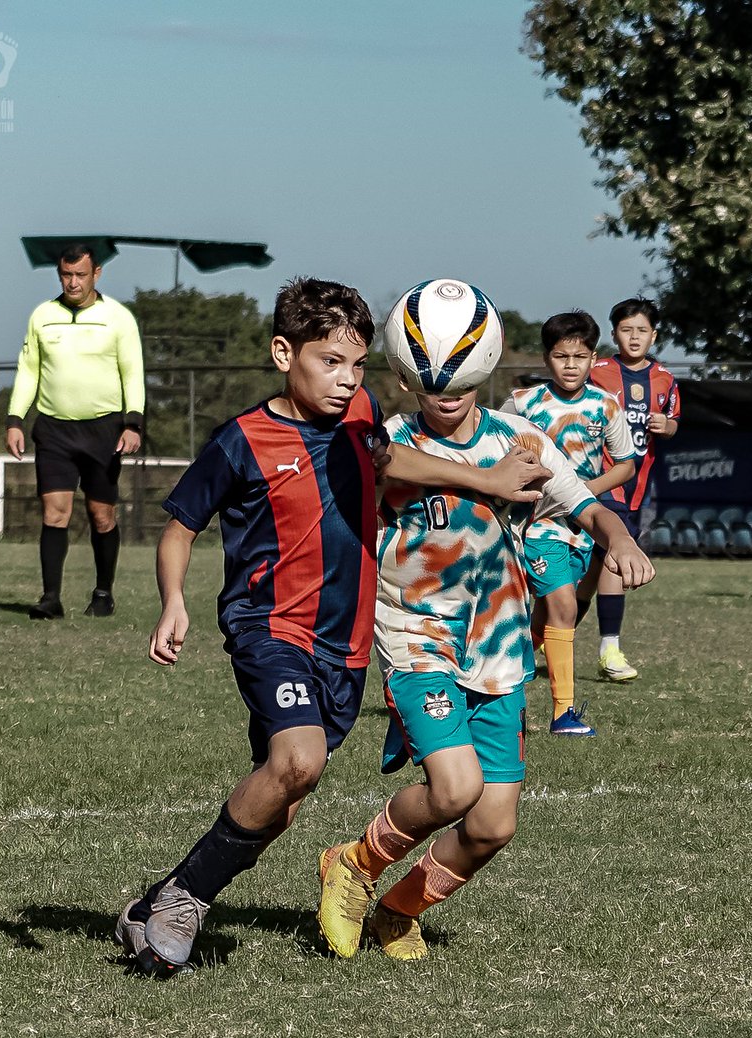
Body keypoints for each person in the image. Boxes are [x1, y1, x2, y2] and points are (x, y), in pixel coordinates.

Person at [114, 277, 552, 976]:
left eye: (357, 365)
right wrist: (173, 600)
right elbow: (179, 529)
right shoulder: (242, 440)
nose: (348, 381)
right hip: (270, 629)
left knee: (281, 799)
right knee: (300, 760)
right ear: (284, 352)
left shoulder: (361, 418)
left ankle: (159, 899)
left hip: (344, 649)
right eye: (329, 362)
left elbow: (391, 459)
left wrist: (487, 480)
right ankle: (184, 904)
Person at [317, 365, 654, 962]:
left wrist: (619, 538)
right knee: (455, 789)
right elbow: (378, 462)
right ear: (405, 380)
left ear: (483, 374)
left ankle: (397, 912)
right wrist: (487, 481)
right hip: (416, 634)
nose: (447, 399)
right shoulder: (387, 438)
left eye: (461, 385)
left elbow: (585, 505)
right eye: (433, 387)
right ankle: (353, 864)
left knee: (492, 827)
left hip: (497, 646)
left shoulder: (519, 440)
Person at [502, 310, 635, 736]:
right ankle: (563, 713)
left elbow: (628, 464)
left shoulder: (605, 405)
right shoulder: (522, 404)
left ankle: (508, 671)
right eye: (561, 357)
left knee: (553, 614)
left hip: (580, 526)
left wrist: (582, 490)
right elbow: (493, 448)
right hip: (536, 525)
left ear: (593, 358)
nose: (571, 365)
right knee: (563, 605)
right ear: (547, 359)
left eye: (579, 357)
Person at [5, 244, 145, 619]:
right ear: (59, 274)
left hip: (105, 429)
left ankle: (103, 592)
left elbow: (132, 372)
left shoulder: (118, 318)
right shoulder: (42, 316)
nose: (73, 282)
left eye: (80, 275)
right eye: (66, 275)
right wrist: (15, 419)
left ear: (96, 274)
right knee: (54, 513)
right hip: (53, 429)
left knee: (102, 515)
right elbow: (28, 370)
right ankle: (51, 598)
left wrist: (133, 423)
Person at [576, 297, 680, 682]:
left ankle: (550, 633)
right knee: (615, 558)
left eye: (641, 330)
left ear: (654, 335)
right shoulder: (598, 370)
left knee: (597, 567)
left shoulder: (665, 379)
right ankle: (610, 649)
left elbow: (673, 423)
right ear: (614, 333)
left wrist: (665, 426)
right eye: (626, 329)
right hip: (603, 478)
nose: (634, 337)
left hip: (639, 484)